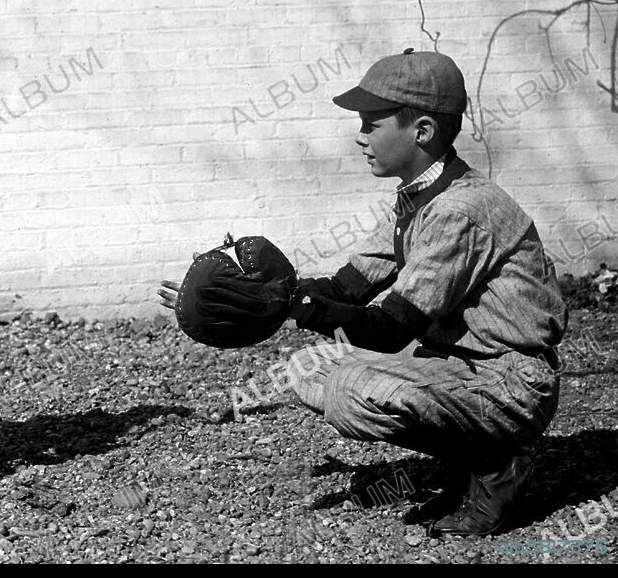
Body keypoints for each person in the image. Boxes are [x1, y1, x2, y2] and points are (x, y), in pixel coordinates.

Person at [162, 48, 567, 537]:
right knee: (305, 372)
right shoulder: (419, 197)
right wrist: (266, 292)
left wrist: (296, 307)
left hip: (509, 380)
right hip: (459, 367)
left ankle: (497, 463)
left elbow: (391, 330)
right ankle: (471, 456)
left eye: (372, 124)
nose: (361, 137)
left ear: (421, 131)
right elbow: (347, 288)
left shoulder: (460, 211)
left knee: (353, 392)